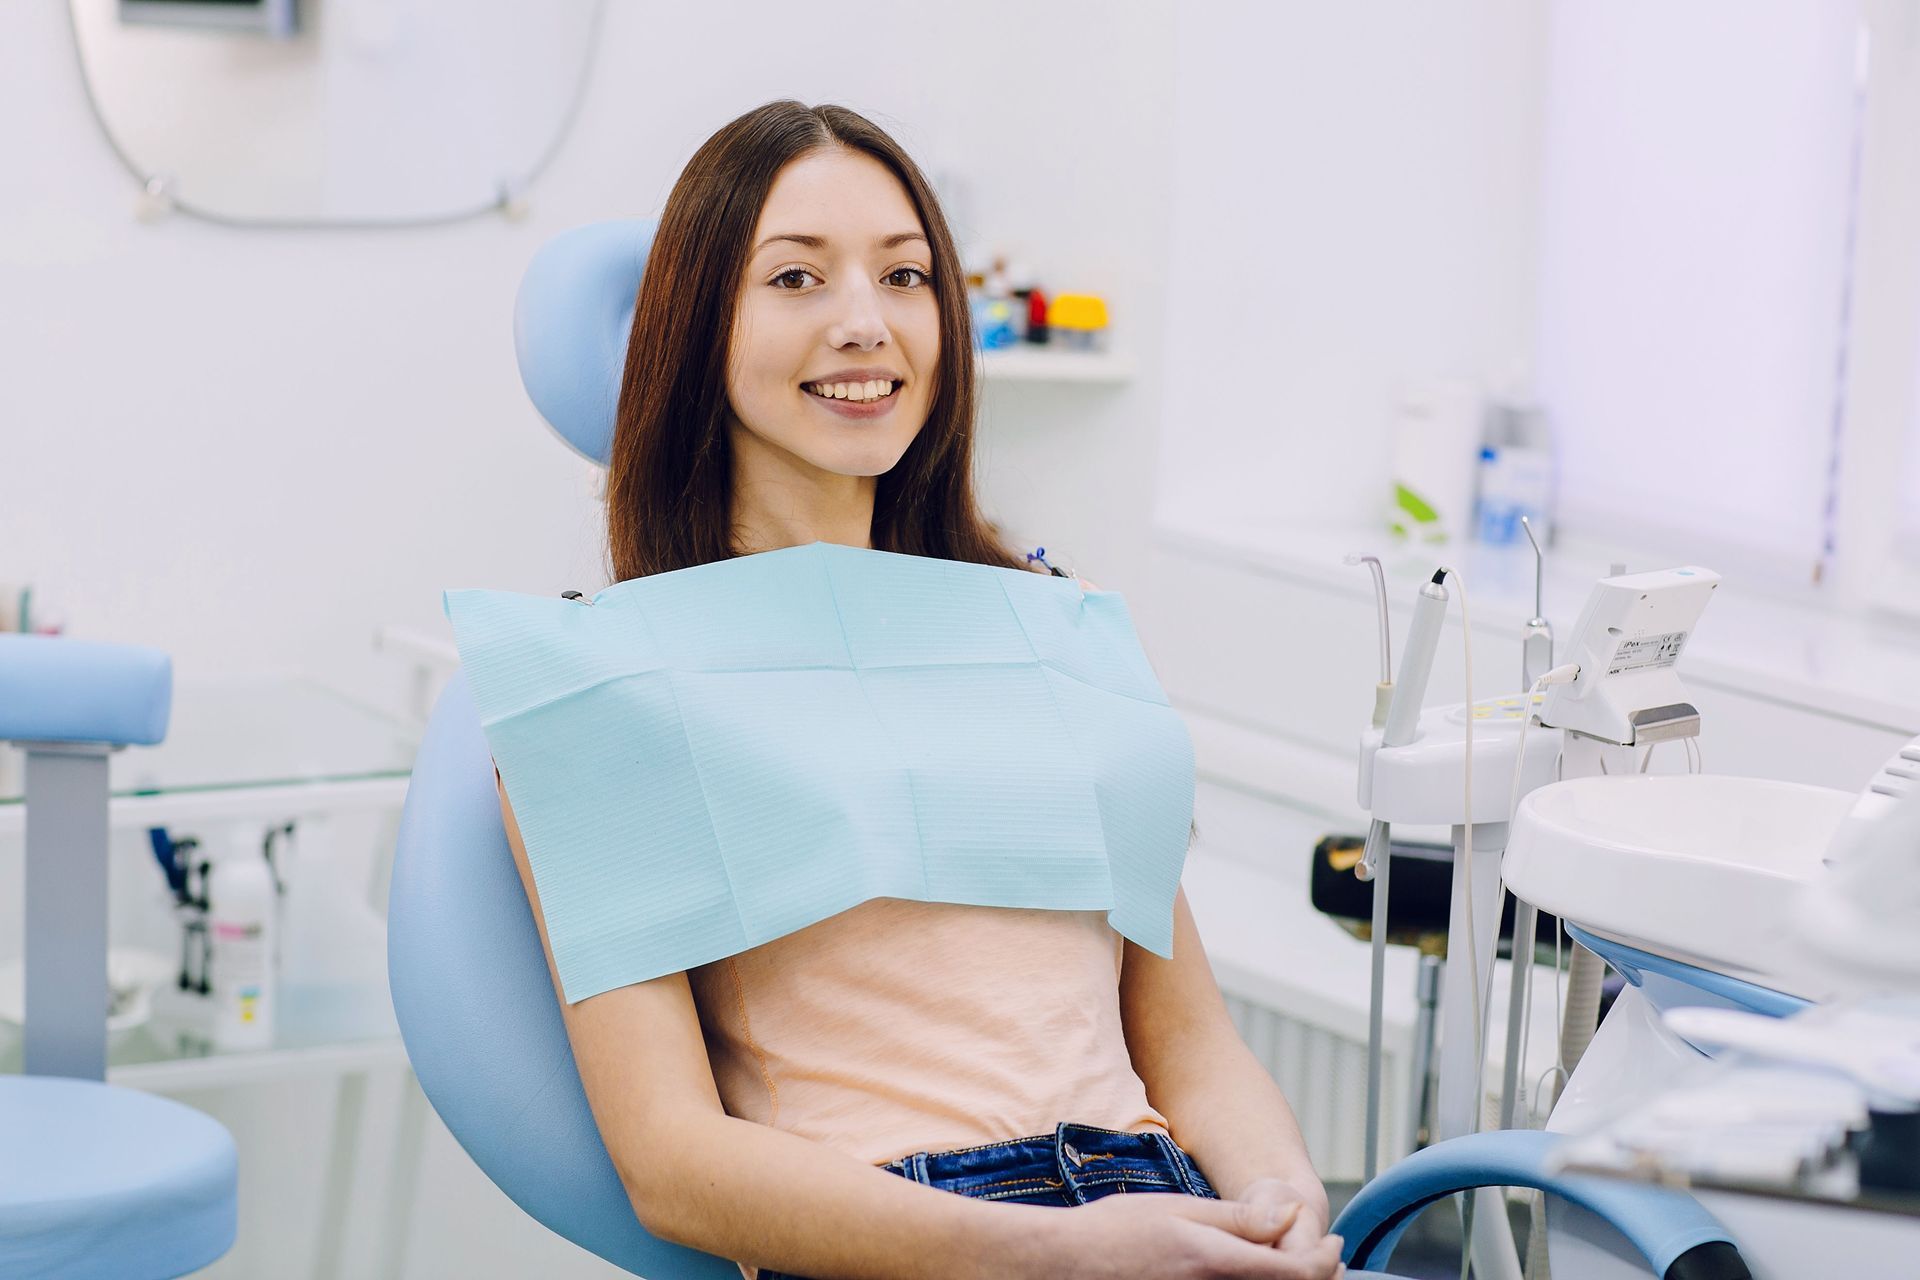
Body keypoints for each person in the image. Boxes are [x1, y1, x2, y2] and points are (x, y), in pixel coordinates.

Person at [496, 99, 1343, 1280]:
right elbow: (673, 1161)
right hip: (913, 1226)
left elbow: (1193, 1047)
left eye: (904, 276)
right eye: (795, 280)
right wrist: (1056, 1253)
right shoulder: (608, 681)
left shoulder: (1053, 629)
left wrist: (1283, 1203)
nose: (864, 323)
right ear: (696, 328)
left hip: (1163, 1205)